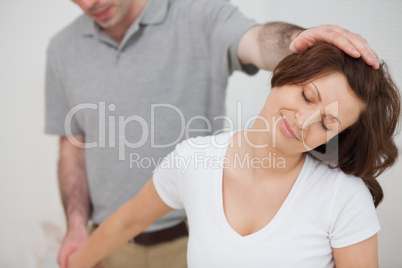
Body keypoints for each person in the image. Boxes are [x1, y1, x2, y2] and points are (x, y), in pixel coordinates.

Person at [45, 0, 381, 267]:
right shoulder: (194, 159)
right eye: (307, 96)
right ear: (283, 74)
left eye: (327, 124)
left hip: (179, 238)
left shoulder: (344, 198)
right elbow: (120, 213)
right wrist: (77, 243)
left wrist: (298, 40)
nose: (305, 122)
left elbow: (261, 40)